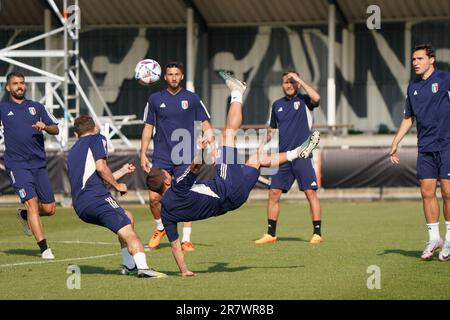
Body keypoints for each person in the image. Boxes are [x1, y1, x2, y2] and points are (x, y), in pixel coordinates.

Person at [145, 71, 320, 276]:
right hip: (225, 186)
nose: (169, 175)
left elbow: (175, 246)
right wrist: (201, 148)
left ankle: (297, 153)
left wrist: (184, 270)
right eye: (167, 175)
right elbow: (194, 167)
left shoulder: (166, 213)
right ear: (166, 180)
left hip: (234, 202)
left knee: (257, 160)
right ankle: (237, 92)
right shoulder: (178, 187)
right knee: (228, 134)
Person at [67, 115, 166, 278]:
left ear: (76, 135)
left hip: (81, 205)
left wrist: (121, 172)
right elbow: (101, 167)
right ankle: (143, 268)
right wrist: (117, 185)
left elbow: (93, 180)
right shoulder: (97, 138)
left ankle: (129, 265)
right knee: (128, 230)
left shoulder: (73, 151)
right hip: (96, 198)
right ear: (95, 129)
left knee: (128, 216)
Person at [140, 61, 214, 251]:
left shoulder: (192, 98)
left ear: (182, 76)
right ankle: (160, 228)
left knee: (185, 196)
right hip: (161, 157)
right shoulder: (155, 99)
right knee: (154, 198)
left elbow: (206, 123)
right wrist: (142, 154)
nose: (173, 77)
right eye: (170, 74)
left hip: (185, 155)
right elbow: (148, 127)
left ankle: (186, 239)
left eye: (177, 74)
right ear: (164, 77)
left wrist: (208, 140)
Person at [390, 44, 450, 261]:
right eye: (413, 59)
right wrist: (396, 141)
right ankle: (434, 238)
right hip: (425, 147)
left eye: (419, 58)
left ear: (431, 60)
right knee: (426, 192)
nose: (415, 62)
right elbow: (408, 118)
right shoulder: (413, 86)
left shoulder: (445, 78)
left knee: (448, 193)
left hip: (447, 145)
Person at [254, 70, 323, 245]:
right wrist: (261, 147)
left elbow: (317, 98)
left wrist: (300, 79)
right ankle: (271, 234)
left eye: (293, 82)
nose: (289, 85)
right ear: (282, 85)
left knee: (310, 193)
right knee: (273, 193)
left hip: (302, 155)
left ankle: (317, 233)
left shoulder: (305, 101)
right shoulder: (276, 105)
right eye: (286, 82)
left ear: (298, 84)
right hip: (282, 157)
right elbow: (271, 130)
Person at [0, 71, 59, 259]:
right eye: (15, 83)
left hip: (39, 164)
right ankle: (44, 249)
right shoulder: (2, 108)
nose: (20, 86)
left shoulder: (37, 107)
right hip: (17, 164)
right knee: (32, 203)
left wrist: (45, 127)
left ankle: (25, 216)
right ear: (8, 87)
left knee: (49, 209)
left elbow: (56, 128)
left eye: (22, 83)